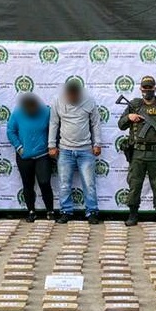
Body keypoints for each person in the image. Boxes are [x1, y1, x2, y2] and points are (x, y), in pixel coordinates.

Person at [118, 75, 156, 227]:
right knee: (135, 184)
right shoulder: (134, 105)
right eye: (144, 88)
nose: (147, 90)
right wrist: (129, 117)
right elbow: (121, 124)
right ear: (140, 89)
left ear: (155, 88)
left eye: (150, 87)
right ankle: (133, 215)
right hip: (138, 152)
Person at [48, 78, 102, 223]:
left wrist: (97, 143)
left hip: (86, 151)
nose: (72, 97)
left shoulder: (89, 100)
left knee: (89, 184)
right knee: (64, 183)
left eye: (74, 94)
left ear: (80, 92)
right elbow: (53, 123)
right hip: (65, 150)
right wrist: (51, 145)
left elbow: (95, 123)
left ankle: (92, 212)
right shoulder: (57, 101)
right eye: (69, 94)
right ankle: (66, 211)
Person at [7, 93, 55, 222]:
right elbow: (11, 131)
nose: (31, 112)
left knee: (45, 182)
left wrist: (52, 146)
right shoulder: (17, 113)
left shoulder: (46, 111)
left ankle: (50, 210)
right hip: (24, 156)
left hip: (42, 154)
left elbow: (55, 128)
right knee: (28, 184)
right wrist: (18, 147)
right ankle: (31, 211)